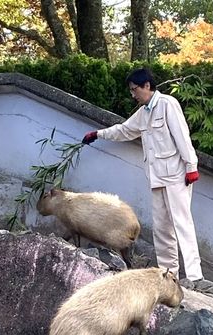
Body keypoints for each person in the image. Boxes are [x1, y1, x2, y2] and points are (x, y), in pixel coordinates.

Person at [82, 68, 203, 282]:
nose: (133, 94)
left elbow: (182, 136)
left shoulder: (167, 104)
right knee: (162, 228)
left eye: (134, 89)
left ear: (147, 85)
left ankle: (194, 275)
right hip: (157, 178)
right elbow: (124, 130)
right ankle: (169, 274)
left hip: (177, 175)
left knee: (181, 223)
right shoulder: (144, 112)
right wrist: (98, 134)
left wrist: (191, 166)